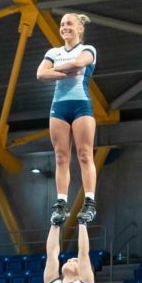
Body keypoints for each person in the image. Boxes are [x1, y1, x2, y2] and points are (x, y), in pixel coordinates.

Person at [37, 11, 98, 226]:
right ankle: (61, 203)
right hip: (59, 107)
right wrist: (64, 70)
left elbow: (80, 63)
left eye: (69, 24)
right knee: (61, 157)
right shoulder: (53, 51)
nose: (65, 27)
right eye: (62, 24)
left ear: (80, 28)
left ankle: (89, 201)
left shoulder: (87, 49)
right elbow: (40, 74)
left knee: (84, 154)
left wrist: (55, 69)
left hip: (81, 105)